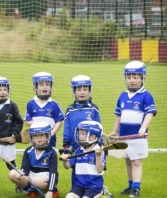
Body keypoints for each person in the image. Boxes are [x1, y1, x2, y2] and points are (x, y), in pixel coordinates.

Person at [109, 61, 156, 197]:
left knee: (136, 162)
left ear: (143, 79)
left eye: (136, 77)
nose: (132, 80)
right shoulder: (123, 96)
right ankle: (130, 185)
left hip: (138, 137)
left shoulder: (146, 96)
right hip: (124, 137)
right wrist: (115, 131)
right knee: (128, 160)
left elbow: (150, 113)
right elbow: (119, 115)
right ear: (125, 79)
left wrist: (143, 128)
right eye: (129, 77)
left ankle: (136, 188)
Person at [9, 121, 59, 198]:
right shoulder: (28, 151)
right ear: (31, 137)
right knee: (12, 174)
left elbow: (53, 173)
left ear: (47, 136)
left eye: (41, 135)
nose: (38, 138)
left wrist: (50, 191)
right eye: (35, 135)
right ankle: (33, 191)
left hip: (45, 178)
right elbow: (25, 168)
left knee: (36, 181)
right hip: (33, 176)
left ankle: (54, 191)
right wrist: (23, 176)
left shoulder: (51, 152)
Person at [61, 121, 105, 198]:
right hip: (79, 185)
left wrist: (97, 156)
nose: (80, 136)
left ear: (93, 137)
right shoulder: (79, 150)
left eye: (83, 134)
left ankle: (102, 191)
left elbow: (100, 170)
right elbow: (67, 166)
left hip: (94, 186)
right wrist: (65, 161)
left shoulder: (99, 151)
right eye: (80, 133)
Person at [24, 72, 65, 150]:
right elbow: (26, 121)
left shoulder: (54, 104)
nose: (45, 87)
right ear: (35, 87)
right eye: (41, 85)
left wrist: (51, 134)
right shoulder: (31, 103)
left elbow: (59, 122)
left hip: (50, 138)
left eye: (47, 84)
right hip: (35, 137)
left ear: (51, 87)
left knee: (50, 158)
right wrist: (39, 124)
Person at [63, 75, 101, 153]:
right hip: (74, 148)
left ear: (89, 91)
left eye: (85, 89)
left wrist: (100, 143)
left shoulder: (93, 109)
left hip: (91, 148)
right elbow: (67, 127)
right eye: (79, 90)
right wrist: (66, 143)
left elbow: (99, 127)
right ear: (74, 92)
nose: (82, 92)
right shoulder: (70, 110)